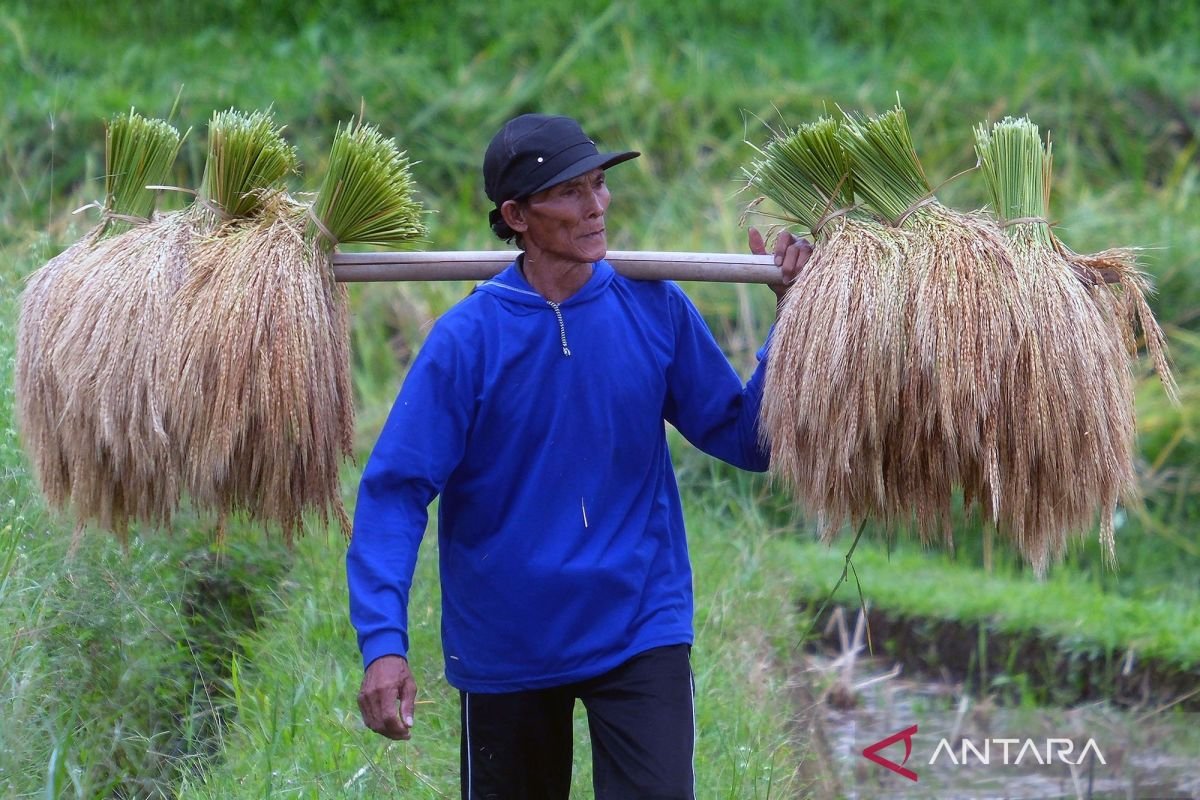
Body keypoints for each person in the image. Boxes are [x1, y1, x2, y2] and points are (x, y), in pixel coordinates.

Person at [347, 112, 811, 799]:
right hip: (508, 641)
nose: (596, 207)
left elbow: (747, 440)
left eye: (599, 185)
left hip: (639, 624)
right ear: (517, 215)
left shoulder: (653, 307)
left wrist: (791, 320)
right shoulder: (467, 342)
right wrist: (383, 643)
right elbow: (395, 492)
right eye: (571, 193)